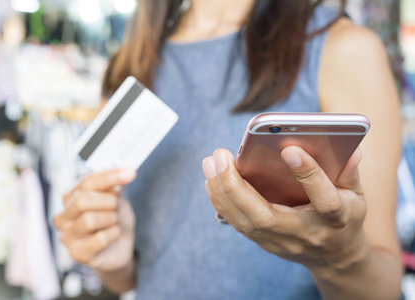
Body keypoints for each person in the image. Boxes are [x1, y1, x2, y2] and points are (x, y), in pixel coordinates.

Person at [54, 0, 403, 299]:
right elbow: (127, 275)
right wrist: (112, 258)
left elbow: (384, 288)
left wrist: (340, 259)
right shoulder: (130, 65)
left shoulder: (343, 48)